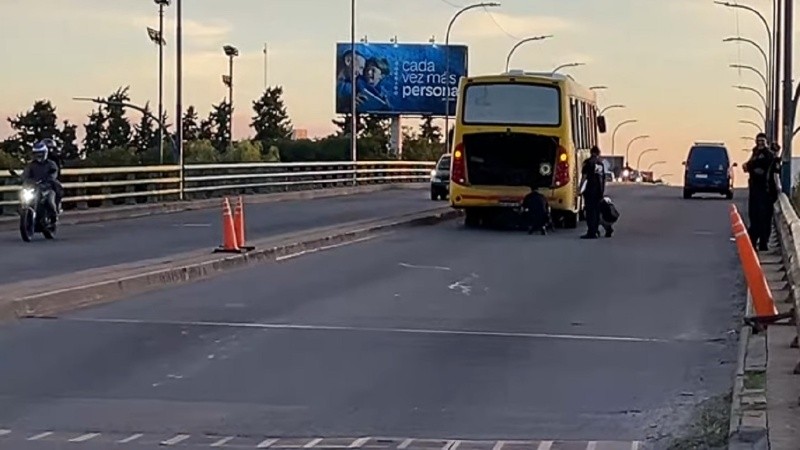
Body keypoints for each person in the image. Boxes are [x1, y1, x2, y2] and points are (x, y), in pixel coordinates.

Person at [742, 132, 780, 251]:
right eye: (758, 141)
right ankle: (754, 241)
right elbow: (748, 167)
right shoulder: (755, 153)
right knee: (754, 216)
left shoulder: (768, 155)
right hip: (755, 190)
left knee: (764, 217)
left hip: (766, 191)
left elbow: (768, 168)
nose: (760, 144)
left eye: (762, 141)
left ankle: (762, 242)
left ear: (766, 142)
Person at [21, 141, 60, 221]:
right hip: (34, 188)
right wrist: (22, 178)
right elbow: (25, 174)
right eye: (36, 154)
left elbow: (54, 172)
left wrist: (50, 178)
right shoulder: (31, 165)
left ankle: (54, 216)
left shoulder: (51, 164)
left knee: (50, 202)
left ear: (45, 153)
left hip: (47, 188)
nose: (38, 156)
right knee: (24, 198)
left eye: (40, 153)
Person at [580, 146, 606, 239]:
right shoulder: (600, 164)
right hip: (599, 191)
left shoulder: (588, 163)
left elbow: (584, 177)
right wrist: (602, 191)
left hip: (589, 190)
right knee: (596, 211)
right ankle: (595, 230)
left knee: (590, 212)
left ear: (591, 153)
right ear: (598, 153)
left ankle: (591, 232)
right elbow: (602, 179)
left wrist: (580, 189)